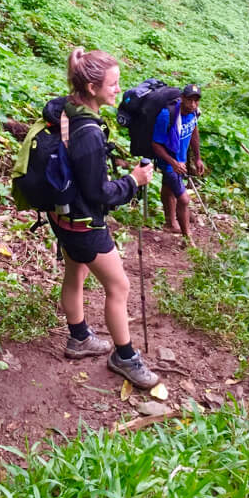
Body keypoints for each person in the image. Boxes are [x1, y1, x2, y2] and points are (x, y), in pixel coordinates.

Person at [49, 48, 161, 389]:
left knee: (76, 273)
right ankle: (124, 357)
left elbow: (87, 178)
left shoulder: (68, 107)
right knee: (119, 285)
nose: (118, 89)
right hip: (85, 224)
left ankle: (79, 337)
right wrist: (134, 181)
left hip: (62, 216)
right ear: (93, 88)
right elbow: (99, 194)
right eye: (113, 84)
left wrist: (75, 67)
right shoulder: (89, 134)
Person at [150, 83, 203, 243]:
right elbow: (156, 144)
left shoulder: (194, 114)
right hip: (168, 160)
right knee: (184, 199)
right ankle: (188, 239)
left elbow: (194, 132)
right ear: (182, 98)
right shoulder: (167, 115)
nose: (193, 104)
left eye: (196, 101)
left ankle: (170, 223)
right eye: (189, 100)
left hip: (181, 159)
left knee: (169, 188)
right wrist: (172, 163)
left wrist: (197, 157)